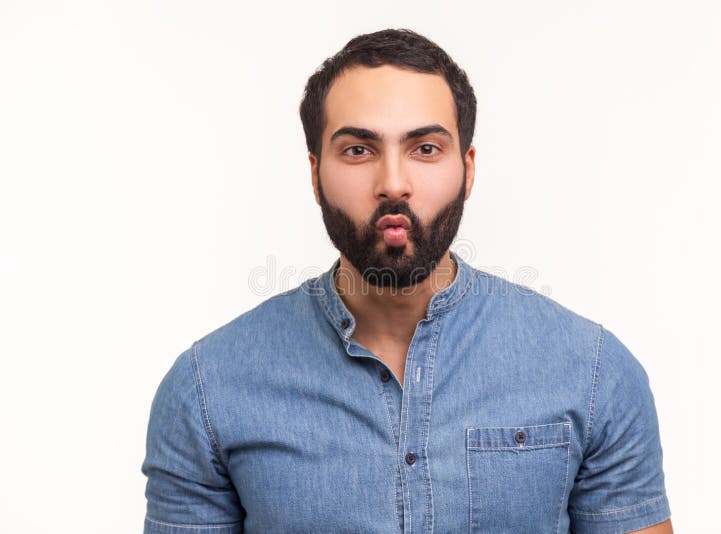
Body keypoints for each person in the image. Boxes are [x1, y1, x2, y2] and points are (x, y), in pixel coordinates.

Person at [142, 28, 673, 533]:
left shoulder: (595, 374)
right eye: (358, 149)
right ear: (314, 174)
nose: (393, 183)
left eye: (425, 148)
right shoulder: (206, 390)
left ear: (468, 170)